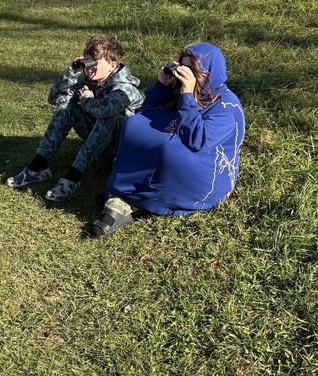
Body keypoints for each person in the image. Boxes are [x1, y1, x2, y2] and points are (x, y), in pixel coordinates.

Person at [90, 42, 245, 238]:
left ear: (209, 73)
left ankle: (135, 199)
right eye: (183, 67)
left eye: (192, 70)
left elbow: (198, 140)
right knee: (134, 126)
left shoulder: (226, 107)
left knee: (171, 151)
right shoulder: (180, 92)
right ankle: (132, 198)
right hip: (179, 157)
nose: (184, 75)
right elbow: (144, 115)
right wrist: (162, 87)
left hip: (205, 174)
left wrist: (188, 95)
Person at [6, 36, 143, 202]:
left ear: (112, 66)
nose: (89, 67)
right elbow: (55, 98)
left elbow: (103, 111)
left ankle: (73, 177)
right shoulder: (93, 81)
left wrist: (86, 99)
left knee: (110, 117)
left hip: (123, 148)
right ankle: (38, 167)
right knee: (66, 106)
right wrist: (72, 72)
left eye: (94, 63)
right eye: (87, 61)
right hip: (101, 139)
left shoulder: (125, 88)